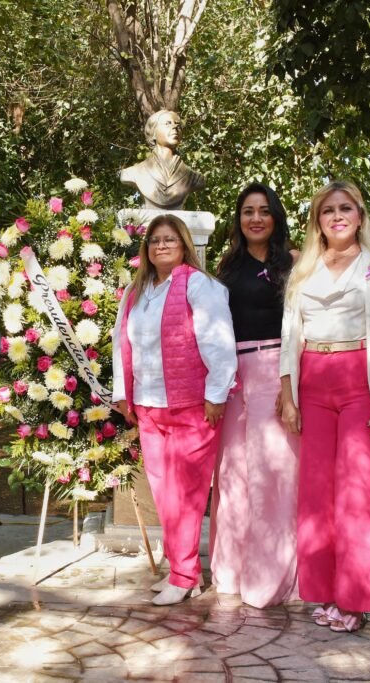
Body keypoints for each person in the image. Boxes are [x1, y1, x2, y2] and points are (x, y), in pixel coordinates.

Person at [279, 180, 370, 632]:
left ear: (360, 215)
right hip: (312, 383)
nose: (337, 216)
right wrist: (288, 394)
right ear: (318, 220)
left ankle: (355, 600)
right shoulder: (303, 269)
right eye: (328, 210)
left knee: (359, 491)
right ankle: (326, 591)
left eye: (346, 208)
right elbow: (289, 334)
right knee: (317, 493)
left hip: (362, 383)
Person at [112, 214, 236, 606]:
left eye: (169, 239)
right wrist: (123, 394)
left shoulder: (199, 285)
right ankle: (183, 571)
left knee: (186, 496)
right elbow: (120, 344)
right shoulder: (136, 292)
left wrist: (216, 395)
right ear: (146, 248)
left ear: (183, 245)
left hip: (191, 407)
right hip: (149, 406)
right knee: (165, 495)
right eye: (155, 240)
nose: (161, 245)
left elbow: (219, 343)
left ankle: (183, 576)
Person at [210, 183, 300, 608]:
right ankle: (231, 571)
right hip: (232, 376)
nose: (256, 218)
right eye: (248, 211)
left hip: (277, 369)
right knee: (233, 474)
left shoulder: (295, 263)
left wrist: (290, 386)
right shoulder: (226, 268)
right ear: (239, 219)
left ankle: (270, 577)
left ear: (276, 217)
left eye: (264, 210)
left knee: (273, 474)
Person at [119, 109, 205, 210]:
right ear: (153, 133)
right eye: (168, 123)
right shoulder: (134, 173)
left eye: (178, 125)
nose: (175, 127)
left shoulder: (194, 178)